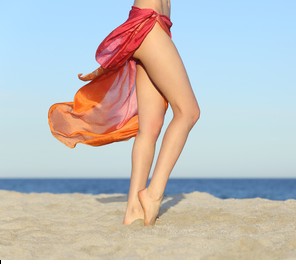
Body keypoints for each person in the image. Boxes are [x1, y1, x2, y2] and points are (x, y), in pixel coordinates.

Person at [48, 0, 200, 226]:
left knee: (150, 127)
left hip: (155, 28)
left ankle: (133, 210)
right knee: (188, 112)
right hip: (149, 26)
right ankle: (153, 195)